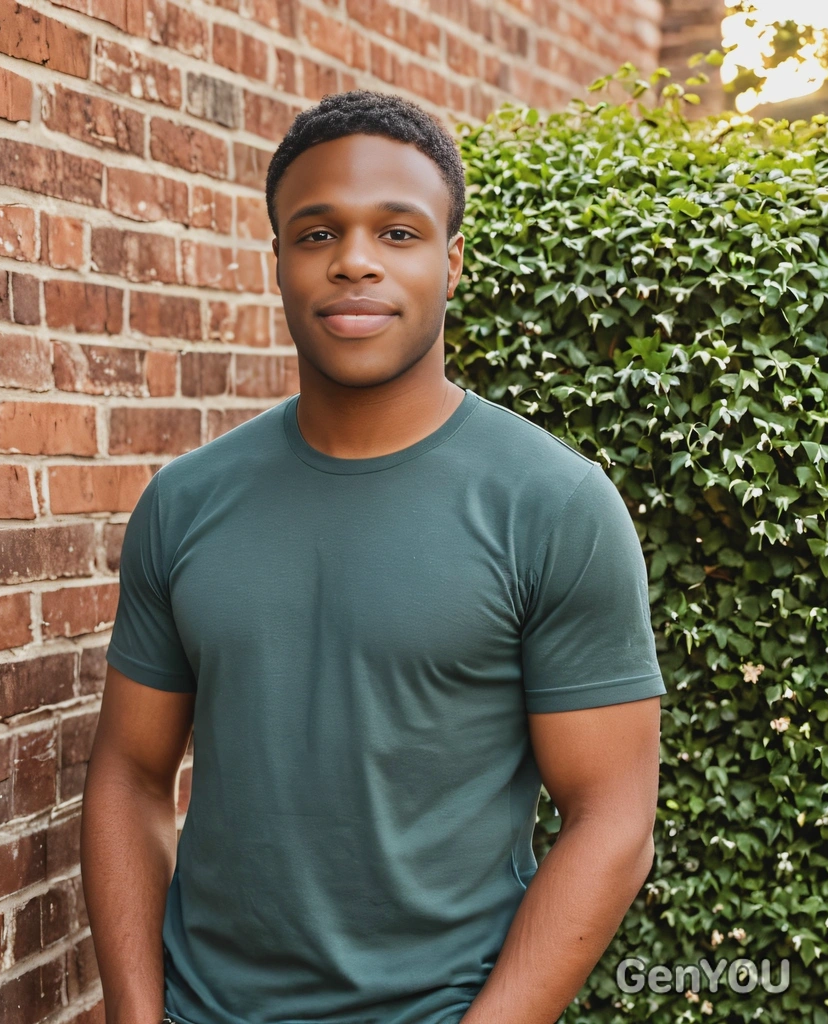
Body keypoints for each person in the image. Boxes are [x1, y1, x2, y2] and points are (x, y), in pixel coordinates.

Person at [81, 89, 667, 1024]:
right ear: (278, 262)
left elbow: (614, 821)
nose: (354, 260)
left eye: (398, 233)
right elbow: (130, 773)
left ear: (452, 262)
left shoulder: (555, 506)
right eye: (318, 233)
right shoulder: (184, 502)